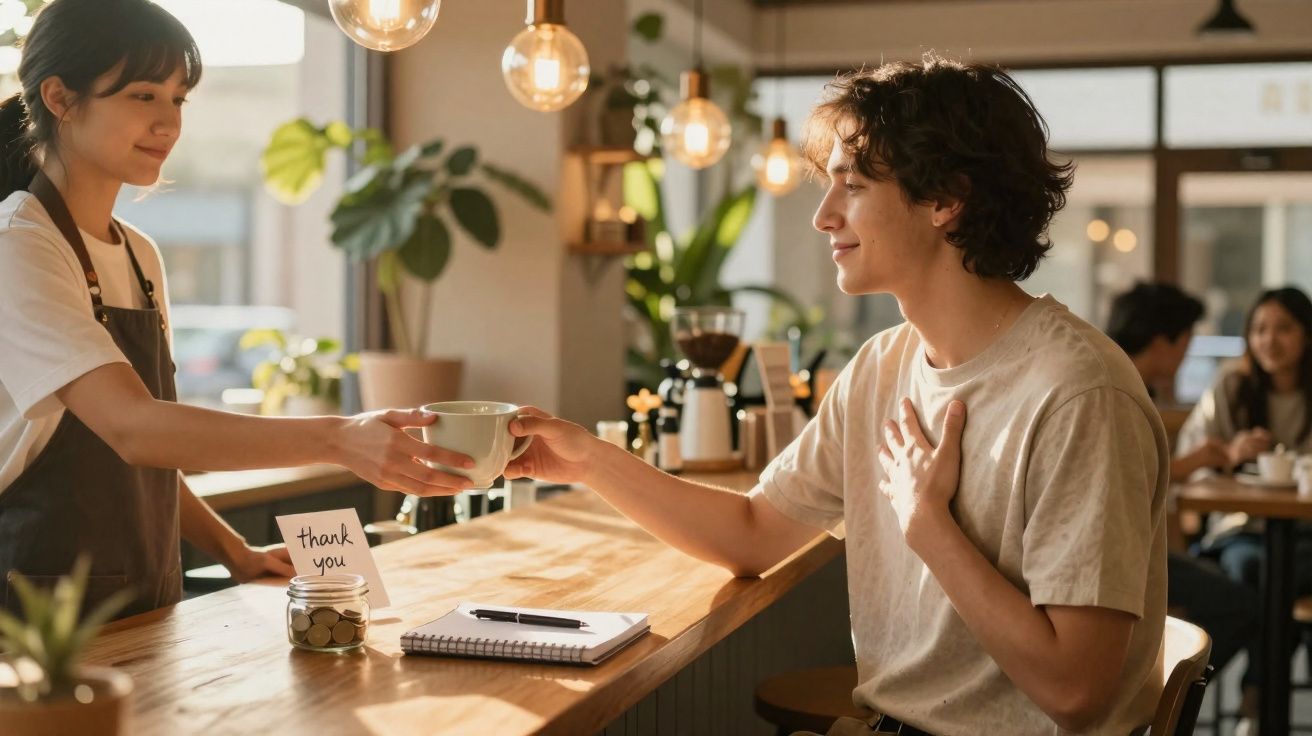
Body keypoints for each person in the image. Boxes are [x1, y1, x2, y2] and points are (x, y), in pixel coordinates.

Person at [504, 57, 1168, 735]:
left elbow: (1075, 690)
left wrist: (929, 526)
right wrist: (588, 462)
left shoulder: (1078, 392)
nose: (823, 216)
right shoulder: (883, 366)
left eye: (851, 186)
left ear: (945, 199)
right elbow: (756, 533)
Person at [0, 0, 474, 620]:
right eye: (143, 95)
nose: (168, 123)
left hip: (145, 600)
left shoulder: (139, 255)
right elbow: (133, 426)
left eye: (178, 98)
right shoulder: (19, 244)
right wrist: (337, 438)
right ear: (60, 97)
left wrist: (237, 552)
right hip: (38, 618)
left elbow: (155, 442)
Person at [1177, 285, 1312, 730]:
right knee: (1262, 571)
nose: (1269, 340)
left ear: (1307, 334)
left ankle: (1256, 696)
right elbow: (1190, 466)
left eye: (1284, 329)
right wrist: (1231, 454)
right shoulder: (1231, 388)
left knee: (1279, 575)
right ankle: (1262, 704)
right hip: (1239, 529)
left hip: (1306, 531)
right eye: (1259, 329)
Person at [1105, 281, 1256, 676]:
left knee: (1242, 586)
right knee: (1243, 602)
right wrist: (1190, 463)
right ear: (1163, 341)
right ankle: (1164, 698)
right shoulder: (1121, 390)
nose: (1187, 353)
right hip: (1116, 559)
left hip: (1127, 552)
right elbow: (1122, 478)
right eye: (1187, 340)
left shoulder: (1117, 377)